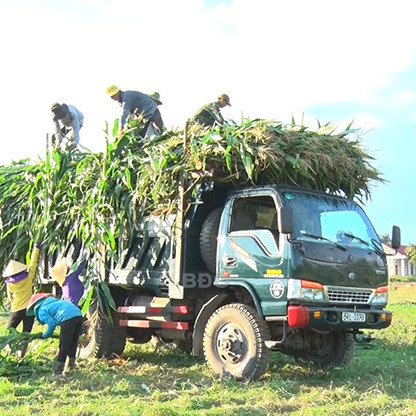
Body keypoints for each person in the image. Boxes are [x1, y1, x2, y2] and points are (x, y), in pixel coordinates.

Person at [26, 293, 83, 377]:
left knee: (64, 344)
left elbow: (51, 324)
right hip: (78, 314)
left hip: (67, 317)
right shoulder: (54, 302)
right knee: (73, 342)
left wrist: (44, 335)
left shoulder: (41, 310)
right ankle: (71, 367)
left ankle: (58, 372)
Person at [2, 242, 42, 356]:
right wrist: (36, 249)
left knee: (10, 331)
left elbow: (10, 297)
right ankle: (21, 354)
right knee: (26, 333)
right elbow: (33, 263)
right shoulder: (28, 277)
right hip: (29, 309)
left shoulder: (10, 284)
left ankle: (10, 352)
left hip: (16, 310)